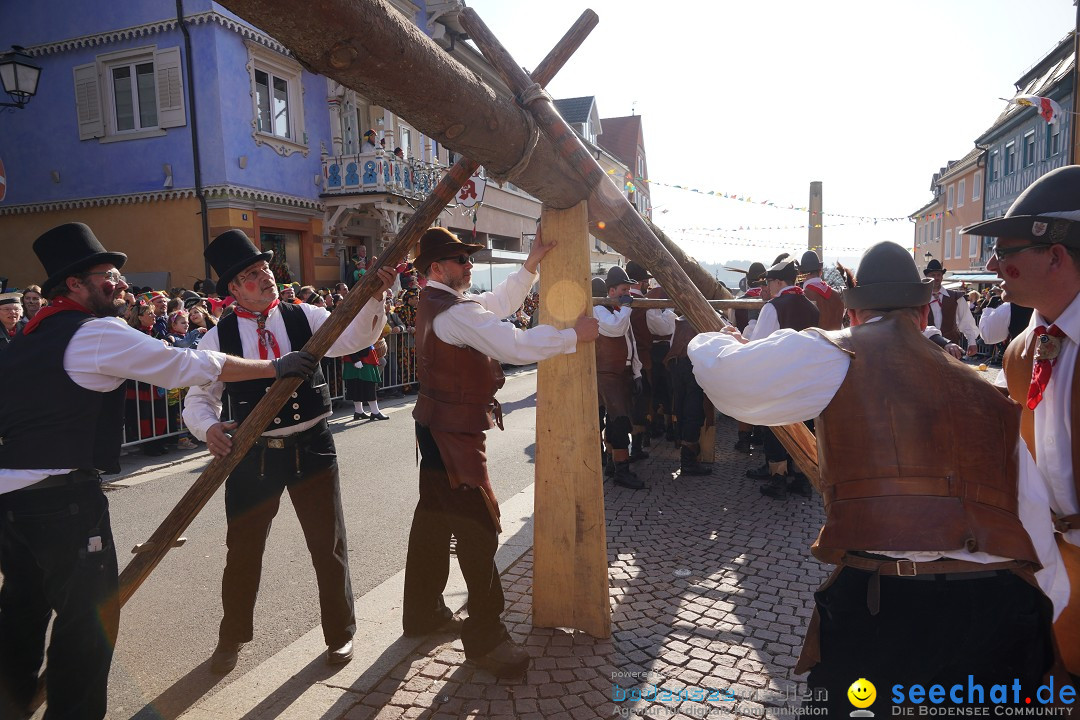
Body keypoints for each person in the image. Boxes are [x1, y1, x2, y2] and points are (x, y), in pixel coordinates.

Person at [687, 240, 1067, 715]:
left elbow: (727, 379)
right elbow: (1035, 537)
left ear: (853, 312)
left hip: (889, 607)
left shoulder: (838, 354)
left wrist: (719, 338)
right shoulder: (985, 393)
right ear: (924, 310)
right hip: (1000, 609)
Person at [0, 222, 319, 720]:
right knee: (87, 626)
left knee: (18, 617)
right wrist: (272, 368)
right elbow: (187, 365)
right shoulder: (95, 331)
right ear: (75, 286)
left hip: (11, 504)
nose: (121, 285)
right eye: (108, 276)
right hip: (61, 502)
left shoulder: (26, 338)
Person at [182, 229, 394, 674]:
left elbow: (353, 339)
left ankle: (340, 635)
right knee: (243, 550)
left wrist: (375, 298)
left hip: (313, 445)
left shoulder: (305, 315)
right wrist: (208, 428)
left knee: (328, 545)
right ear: (234, 289)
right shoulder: (217, 337)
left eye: (264, 270)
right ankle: (231, 637)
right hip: (252, 455)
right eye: (252, 275)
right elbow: (199, 399)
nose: (265, 278)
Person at [403, 227, 598, 679]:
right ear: (436, 268)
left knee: (432, 522)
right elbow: (514, 344)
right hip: (452, 434)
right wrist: (574, 336)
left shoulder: (444, 304)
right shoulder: (453, 312)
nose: (469, 265)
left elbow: (495, 306)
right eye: (460, 259)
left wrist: (529, 266)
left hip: (438, 427)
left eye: (468, 258)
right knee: (479, 532)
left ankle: (422, 612)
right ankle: (487, 638)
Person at [962, 164, 1080, 673]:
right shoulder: (1019, 352)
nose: (992, 264)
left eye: (1005, 252)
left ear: (1056, 255)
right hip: (1050, 569)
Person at [745, 258, 819, 498]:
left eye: (770, 282)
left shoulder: (773, 307)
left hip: (780, 377)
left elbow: (759, 345)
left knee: (775, 427)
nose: (768, 286)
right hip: (805, 378)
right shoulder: (811, 306)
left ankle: (778, 478)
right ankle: (801, 478)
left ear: (778, 281)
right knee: (804, 425)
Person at [595, 265, 644, 489]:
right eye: (624, 289)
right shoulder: (600, 309)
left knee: (619, 421)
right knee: (618, 422)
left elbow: (631, 344)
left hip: (622, 374)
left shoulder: (619, 309)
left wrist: (636, 373)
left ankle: (614, 466)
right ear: (612, 290)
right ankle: (621, 470)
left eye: (628, 289)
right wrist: (625, 309)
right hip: (607, 375)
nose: (628, 293)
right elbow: (614, 329)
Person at [923, 258, 980, 355]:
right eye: (933, 275)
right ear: (927, 277)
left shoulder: (956, 297)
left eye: (939, 275)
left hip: (952, 347)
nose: (936, 278)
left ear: (942, 277)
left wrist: (972, 342)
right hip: (926, 346)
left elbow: (966, 321)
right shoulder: (921, 298)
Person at [798, 249, 844, 331]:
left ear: (801, 274)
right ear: (820, 272)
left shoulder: (802, 297)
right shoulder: (837, 296)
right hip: (836, 342)